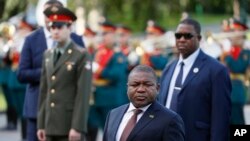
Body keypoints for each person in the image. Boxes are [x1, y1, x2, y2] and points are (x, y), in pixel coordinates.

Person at [16, 1, 84, 141]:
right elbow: (22, 74)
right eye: (47, 14)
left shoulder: (76, 39)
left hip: (66, 113)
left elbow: (82, 80)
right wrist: (49, 72)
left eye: (55, 14)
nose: (51, 18)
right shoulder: (31, 39)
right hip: (36, 110)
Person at [158, 18, 232, 141]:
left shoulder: (216, 70)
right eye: (178, 35)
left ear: (198, 38)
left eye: (187, 36)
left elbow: (221, 118)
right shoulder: (169, 68)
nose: (182, 39)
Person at [37, 5, 92, 141]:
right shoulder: (48, 55)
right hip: (50, 123)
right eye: (52, 27)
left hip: (69, 124)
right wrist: (41, 124)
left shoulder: (81, 55)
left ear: (69, 27)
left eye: (60, 27)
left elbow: (83, 94)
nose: (55, 31)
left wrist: (77, 127)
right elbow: (44, 91)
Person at [103, 65, 185, 141]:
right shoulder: (113, 114)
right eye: (135, 85)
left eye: (147, 85)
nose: (140, 89)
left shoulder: (170, 120)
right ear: (127, 87)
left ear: (158, 88)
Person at [223, 20, 250, 124]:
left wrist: (228, 55)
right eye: (232, 31)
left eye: (236, 32)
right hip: (225, 91)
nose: (232, 35)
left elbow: (238, 67)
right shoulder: (226, 52)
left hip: (237, 91)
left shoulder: (246, 53)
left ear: (242, 35)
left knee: (238, 122)